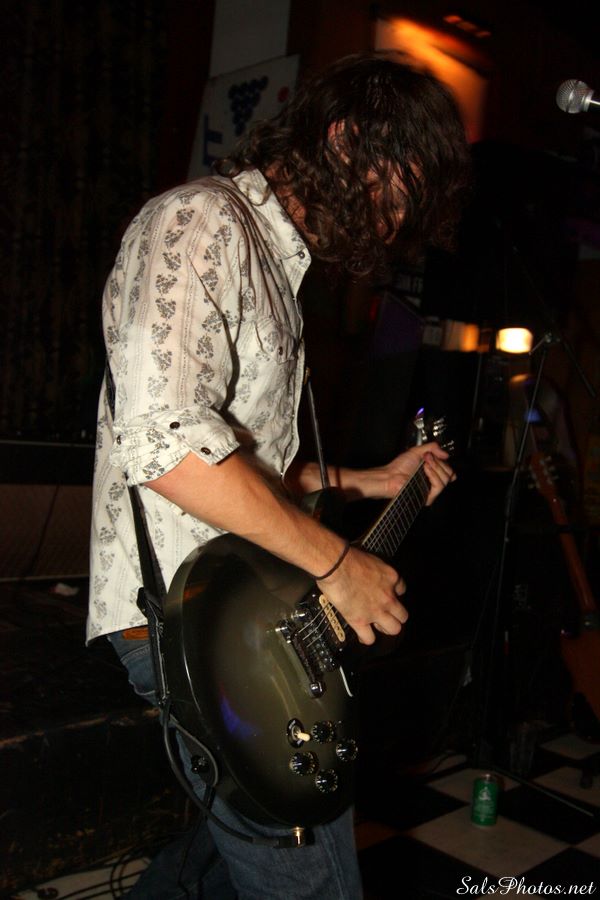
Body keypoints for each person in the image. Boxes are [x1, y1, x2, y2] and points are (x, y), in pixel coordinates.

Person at [89, 52, 470, 899]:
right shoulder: (200, 222)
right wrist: (338, 563)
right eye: (396, 195)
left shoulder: (274, 266)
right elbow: (165, 447)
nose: (392, 228)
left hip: (247, 609)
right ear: (345, 140)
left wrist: (376, 481)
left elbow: (247, 473)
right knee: (308, 872)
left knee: (222, 855)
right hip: (188, 617)